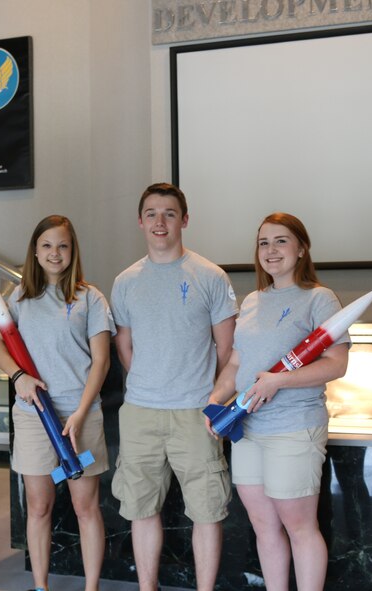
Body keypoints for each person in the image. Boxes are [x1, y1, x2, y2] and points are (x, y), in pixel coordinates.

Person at [206, 212, 349, 591]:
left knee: (300, 527)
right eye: (263, 242)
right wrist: (216, 400)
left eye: (281, 241)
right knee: (264, 526)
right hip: (248, 431)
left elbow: (337, 364)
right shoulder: (252, 300)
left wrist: (279, 382)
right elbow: (236, 363)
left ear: (301, 248)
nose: (271, 250)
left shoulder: (319, 298)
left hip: (294, 428)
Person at [110, 182, 237, 591]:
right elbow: (125, 346)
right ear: (139, 221)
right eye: (151, 213)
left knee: (206, 511)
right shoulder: (125, 281)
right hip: (141, 412)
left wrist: (201, 390)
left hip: (196, 413)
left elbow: (226, 348)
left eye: (168, 213)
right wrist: (151, 379)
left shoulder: (210, 276)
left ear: (184, 220)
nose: (159, 222)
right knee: (141, 508)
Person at [0, 214, 114, 591]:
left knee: (85, 507)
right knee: (38, 506)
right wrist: (18, 377)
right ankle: (40, 586)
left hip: (81, 418)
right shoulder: (21, 298)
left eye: (62, 245)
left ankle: (91, 586)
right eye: (46, 246)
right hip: (33, 418)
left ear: (72, 250)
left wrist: (79, 413)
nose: (54, 253)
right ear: (35, 252)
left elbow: (102, 361)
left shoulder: (90, 297)